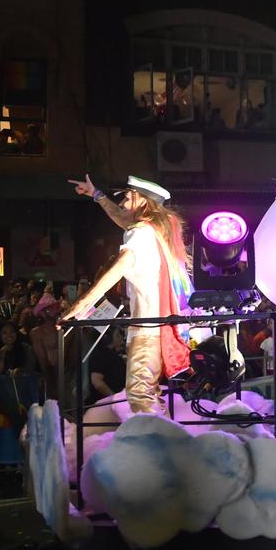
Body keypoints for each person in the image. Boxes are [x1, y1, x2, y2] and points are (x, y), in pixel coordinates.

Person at [61, 175, 191, 414]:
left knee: (139, 395)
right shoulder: (157, 232)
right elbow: (123, 219)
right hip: (159, 328)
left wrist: (80, 305)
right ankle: (159, 439)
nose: (120, 203)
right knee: (148, 393)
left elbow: (119, 267)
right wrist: (97, 195)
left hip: (147, 330)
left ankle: (153, 446)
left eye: (126, 197)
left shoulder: (141, 234)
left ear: (142, 201)